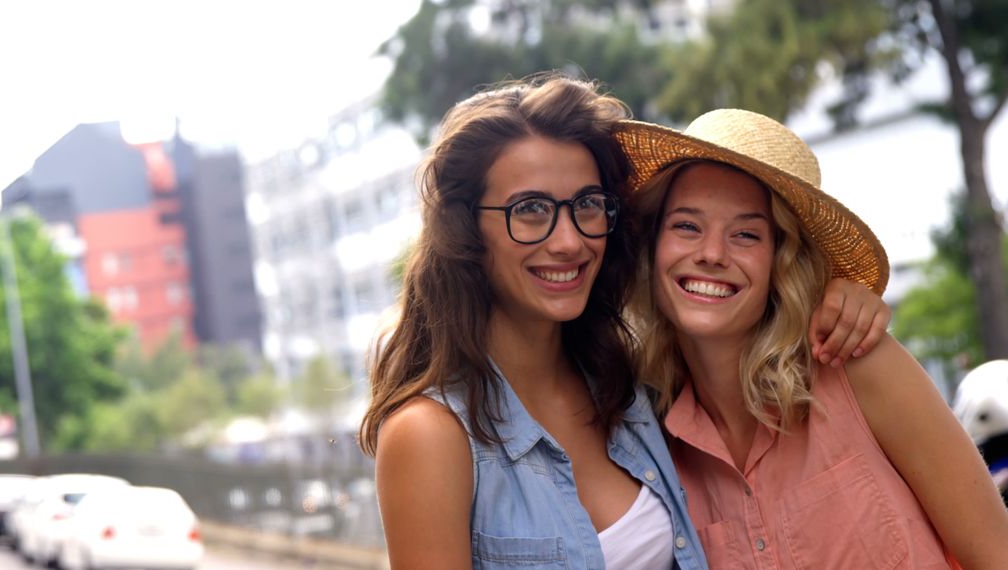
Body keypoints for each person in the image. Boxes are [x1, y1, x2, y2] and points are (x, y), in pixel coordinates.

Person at [358, 74, 889, 569]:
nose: (569, 241)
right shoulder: (430, 435)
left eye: (587, 204)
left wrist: (835, 298)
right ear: (466, 231)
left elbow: (741, 330)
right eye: (531, 209)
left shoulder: (632, 387)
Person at [620, 108, 1008, 569]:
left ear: (781, 260)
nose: (711, 254)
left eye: (746, 234)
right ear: (652, 243)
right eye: (686, 226)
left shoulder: (858, 366)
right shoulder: (646, 438)